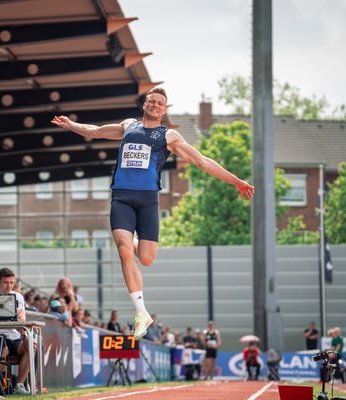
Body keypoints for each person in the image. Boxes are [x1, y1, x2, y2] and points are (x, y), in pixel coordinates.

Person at [51, 86, 254, 338]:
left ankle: (134, 239)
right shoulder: (128, 126)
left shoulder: (168, 136)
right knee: (124, 249)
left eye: (160, 103)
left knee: (145, 258)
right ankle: (141, 311)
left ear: (164, 110)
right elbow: (95, 131)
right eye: (152, 100)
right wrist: (72, 124)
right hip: (122, 198)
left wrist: (236, 181)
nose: (155, 104)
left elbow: (202, 161)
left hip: (148, 201)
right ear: (145, 105)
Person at [0, 268, 32, 395]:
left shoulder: (18, 297)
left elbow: (21, 319)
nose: (9, 286)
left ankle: (19, 385)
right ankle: (1, 386)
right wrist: (9, 316)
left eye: (11, 282)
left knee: (31, 345)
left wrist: (25, 335)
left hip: (14, 338)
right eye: (5, 282)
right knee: (1, 350)